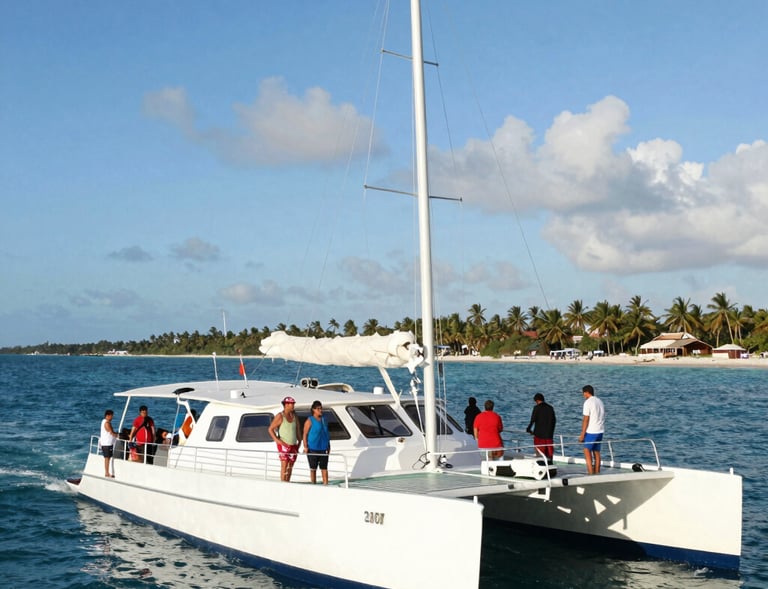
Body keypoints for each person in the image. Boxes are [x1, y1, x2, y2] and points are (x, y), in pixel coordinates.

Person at [269, 396, 301, 482]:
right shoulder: (280, 416)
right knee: (284, 464)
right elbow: (270, 429)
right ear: (286, 405)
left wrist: (299, 442)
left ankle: (287, 481)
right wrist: (277, 441)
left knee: (291, 465)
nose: (293, 405)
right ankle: (283, 483)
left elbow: (297, 430)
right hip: (284, 444)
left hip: (293, 444)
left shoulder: (294, 416)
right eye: (291, 404)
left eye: (293, 403)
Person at [579, 384, 606, 474]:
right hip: (600, 430)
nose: (583, 395)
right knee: (596, 452)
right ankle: (597, 471)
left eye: (583, 393)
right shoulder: (600, 401)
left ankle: (590, 472)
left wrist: (582, 434)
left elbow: (586, 419)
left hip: (592, 431)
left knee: (586, 450)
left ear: (587, 393)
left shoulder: (588, 402)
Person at [303, 400, 331, 484]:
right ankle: (313, 484)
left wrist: (328, 445)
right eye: (318, 409)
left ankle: (326, 484)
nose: (320, 410)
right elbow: (305, 434)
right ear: (313, 410)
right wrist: (305, 446)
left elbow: (326, 433)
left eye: (321, 408)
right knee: (313, 468)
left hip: (323, 447)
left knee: (324, 468)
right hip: (313, 447)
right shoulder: (310, 420)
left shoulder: (324, 419)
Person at [526, 393, 556, 463]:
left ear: (536, 401)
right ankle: (550, 464)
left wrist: (528, 429)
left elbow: (532, 420)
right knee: (549, 452)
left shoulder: (536, 408)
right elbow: (554, 421)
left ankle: (542, 464)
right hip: (549, 435)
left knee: (540, 452)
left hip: (539, 435)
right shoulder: (550, 408)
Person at [100, 409, 118, 477]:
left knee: (107, 458)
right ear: (107, 416)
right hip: (107, 443)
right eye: (111, 416)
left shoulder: (103, 421)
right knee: (107, 458)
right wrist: (118, 435)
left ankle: (107, 472)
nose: (112, 417)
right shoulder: (107, 423)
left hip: (105, 443)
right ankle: (107, 473)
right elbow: (112, 432)